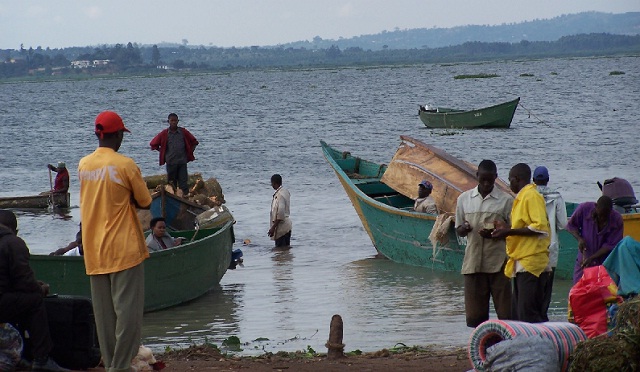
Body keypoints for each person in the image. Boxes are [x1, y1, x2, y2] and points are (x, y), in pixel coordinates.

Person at [78, 110, 152, 372]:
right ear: (118, 134)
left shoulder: (84, 165)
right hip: (124, 248)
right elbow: (145, 201)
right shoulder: (125, 165)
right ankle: (120, 367)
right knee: (128, 315)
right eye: (122, 134)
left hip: (94, 249)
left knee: (104, 317)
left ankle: (111, 364)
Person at [0, 209, 69, 371]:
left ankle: (21, 356)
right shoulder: (13, 243)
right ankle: (41, 358)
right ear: (14, 230)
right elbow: (25, 282)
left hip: (4, 298)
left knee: (19, 300)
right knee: (34, 301)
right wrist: (41, 288)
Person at [455, 160, 514, 327]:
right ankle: (480, 345)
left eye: (490, 180)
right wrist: (464, 228)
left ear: (496, 177)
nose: (487, 183)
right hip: (473, 262)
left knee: (506, 314)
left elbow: (513, 230)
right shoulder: (464, 199)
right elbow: (458, 228)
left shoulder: (506, 200)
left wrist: (496, 234)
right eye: (483, 180)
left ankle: (508, 343)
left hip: (499, 262)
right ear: (477, 176)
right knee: (475, 317)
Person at [492, 163, 550, 323]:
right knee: (518, 312)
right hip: (522, 260)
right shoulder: (522, 197)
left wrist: (509, 231)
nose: (509, 184)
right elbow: (523, 226)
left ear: (517, 179)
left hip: (531, 262)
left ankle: (539, 345)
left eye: (510, 179)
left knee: (528, 313)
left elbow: (539, 227)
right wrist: (506, 229)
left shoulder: (531, 196)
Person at [533, 166, 568, 320]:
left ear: (533, 180)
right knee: (547, 287)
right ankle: (543, 316)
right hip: (550, 245)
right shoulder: (557, 196)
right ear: (547, 180)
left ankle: (530, 317)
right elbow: (562, 224)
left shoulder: (528, 195)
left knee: (532, 284)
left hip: (531, 247)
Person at [566, 195, 623, 284]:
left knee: (604, 292)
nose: (602, 219)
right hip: (584, 260)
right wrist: (580, 239)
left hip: (605, 263)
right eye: (600, 215)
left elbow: (610, 245)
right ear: (596, 206)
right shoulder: (584, 209)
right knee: (578, 289)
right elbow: (571, 225)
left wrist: (592, 258)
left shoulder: (617, 219)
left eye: (605, 217)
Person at [149, 113, 199, 196]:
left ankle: (184, 199)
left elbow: (194, 142)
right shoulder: (164, 133)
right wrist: (163, 152)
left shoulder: (183, 132)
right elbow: (153, 144)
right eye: (172, 121)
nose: (173, 122)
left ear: (178, 121)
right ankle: (172, 199)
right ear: (168, 121)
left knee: (183, 183)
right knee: (171, 184)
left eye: (175, 121)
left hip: (182, 162)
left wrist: (190, 152)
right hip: (171, 162)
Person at [268, 174, 292, 248]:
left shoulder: (280, 195)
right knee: (285, 251)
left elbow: (280, 214)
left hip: (282, 228)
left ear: (275, 183)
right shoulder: (285, 192)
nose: (271, 185)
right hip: (287, 226)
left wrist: (273, 228)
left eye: (272, 183)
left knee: (280, 252)